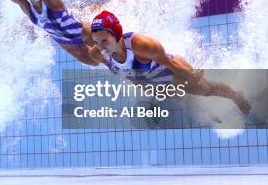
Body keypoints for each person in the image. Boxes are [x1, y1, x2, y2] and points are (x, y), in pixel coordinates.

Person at [90, 10, 251, 114]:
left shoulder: (141, 45)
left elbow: (170, 63)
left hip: (170, 71)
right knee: (183, 98)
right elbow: (125, 71)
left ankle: (236, 96)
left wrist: (191, 74)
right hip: (154, 83)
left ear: (116, 34)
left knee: (205, 89)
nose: (100, 46)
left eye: (104, 40)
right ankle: (206, 112)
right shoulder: (99, 54)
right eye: (96, 42)